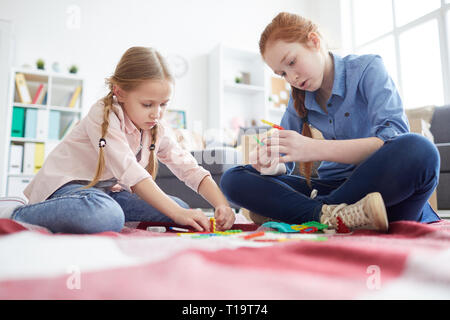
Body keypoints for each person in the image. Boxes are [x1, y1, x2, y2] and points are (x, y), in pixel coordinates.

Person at [220, 12, 440, 232]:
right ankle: (332, 216)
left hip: (377, 188)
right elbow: (284, 162)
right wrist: (270, 163)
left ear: (314, 42)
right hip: (327, 189)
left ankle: (311, 213)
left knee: (420, 150)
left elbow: (392, 139)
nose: (292, 78)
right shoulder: (299, 97)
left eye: (292, 62)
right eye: (282, 74)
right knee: (234, 178)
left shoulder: (368, 69)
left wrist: (314, 149)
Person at [0, 47, 235, 233]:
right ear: (119, 92)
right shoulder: (102, 114)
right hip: (69, 188)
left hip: (107, 193)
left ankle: (114, 213)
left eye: (164, 104)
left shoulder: (156, 127)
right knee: (104, 214)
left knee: (182, 209)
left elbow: (189, 169)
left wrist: (221, 204)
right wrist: (175, 213)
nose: (157, 113)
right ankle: (17, 212)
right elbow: (130, 171)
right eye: (147, 104)